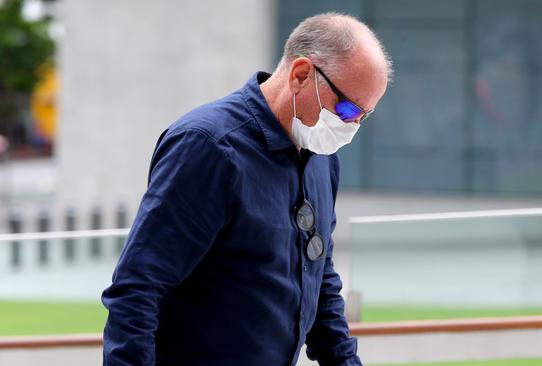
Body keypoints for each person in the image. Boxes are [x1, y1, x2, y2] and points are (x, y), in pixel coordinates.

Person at [102, 12, 392, 366]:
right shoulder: (208, 147)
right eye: (346, 110)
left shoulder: (322, 157)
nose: (350, 127)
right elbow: (137, 287)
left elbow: (319, 275)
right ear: (301, 74)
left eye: (363, 117)